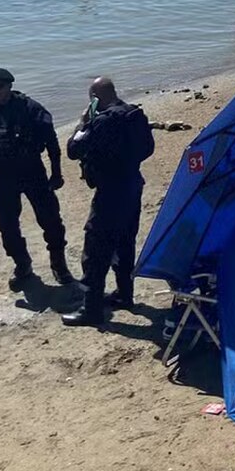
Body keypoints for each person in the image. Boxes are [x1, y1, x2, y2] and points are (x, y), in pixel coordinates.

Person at [62, 77, 154, 326]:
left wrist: (83, 122)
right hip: (133, 186)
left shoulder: (103, 122)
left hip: (110, 192)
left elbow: (73, 149)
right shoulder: (133, 115)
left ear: (94, 98)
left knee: (95, 250)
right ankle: (125, 295)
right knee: (125, 242)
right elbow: (148, 149)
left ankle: (91, 310)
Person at [0, 68, 73, 290]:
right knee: (6, 226)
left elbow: (52, 144)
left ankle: (58, 263)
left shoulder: (31, 110)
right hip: (2, 178)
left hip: (32, 173)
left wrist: (57, 173)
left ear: (9, 86)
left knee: (51, 220)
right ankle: (22, 264)